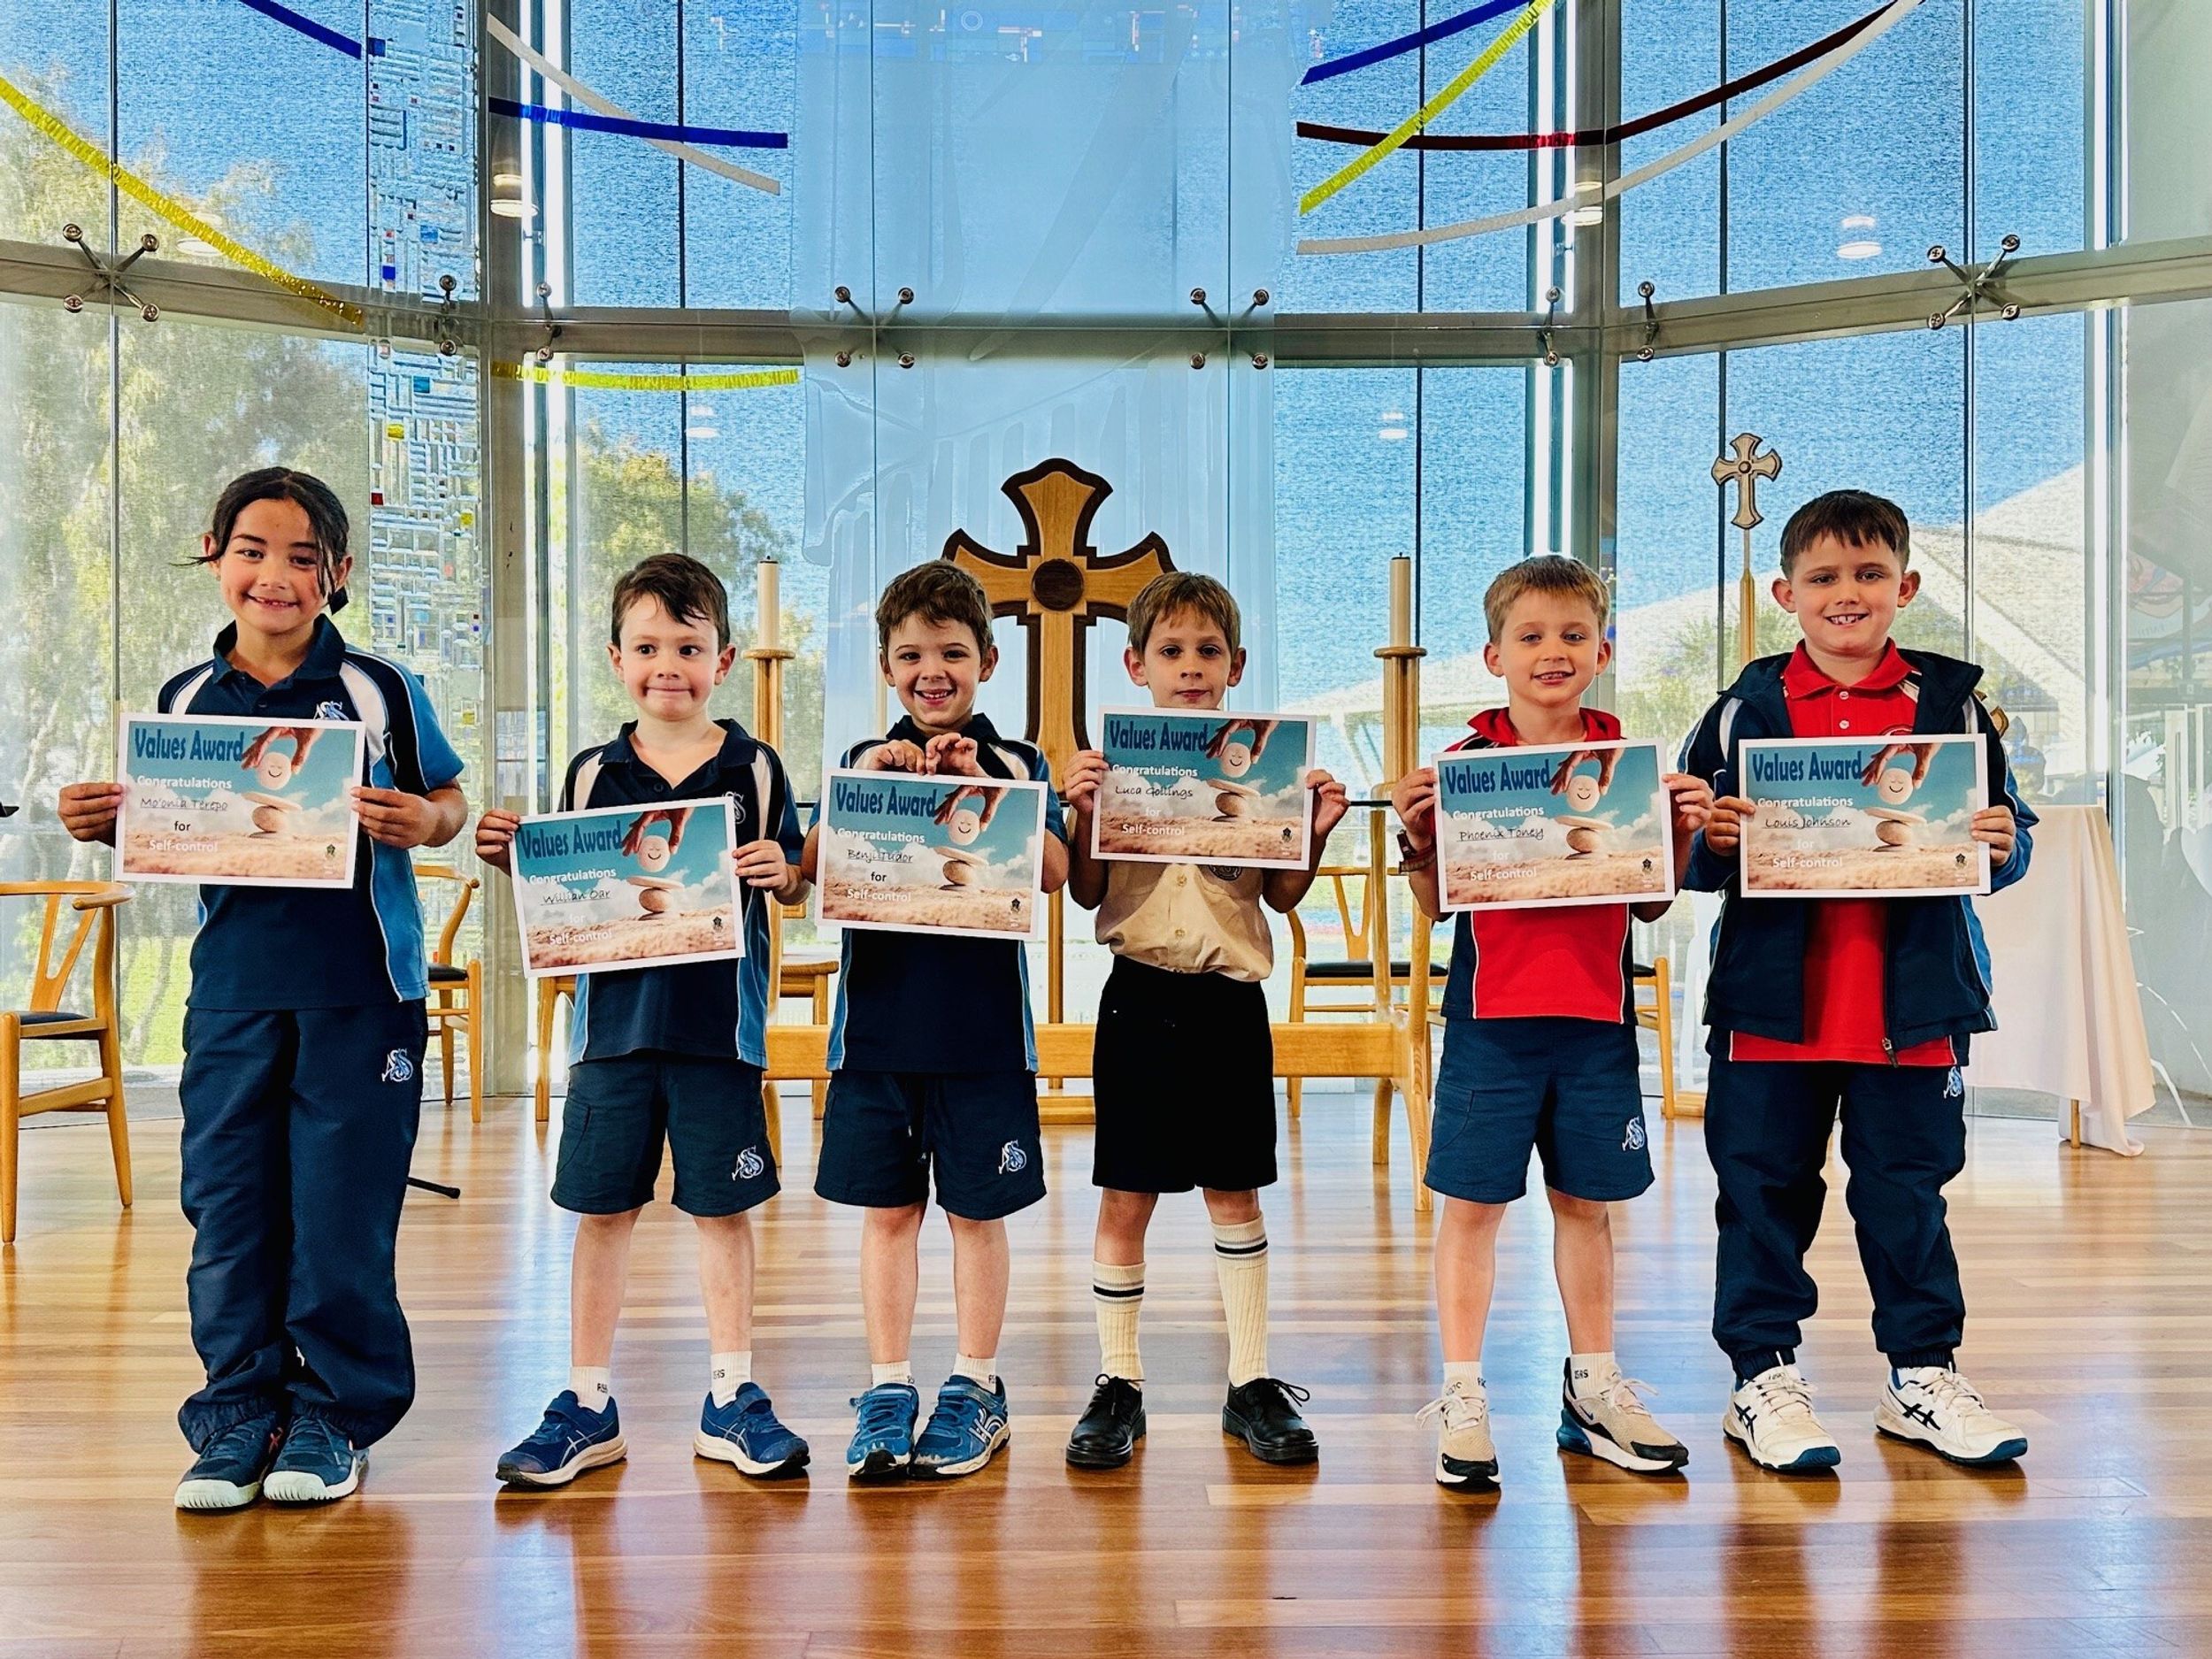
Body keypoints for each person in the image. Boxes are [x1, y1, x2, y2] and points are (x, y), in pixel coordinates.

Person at [60, 467, 468, 1510]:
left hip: (364, 993)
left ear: (338, 572)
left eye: (301, 557)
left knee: (340, 1214)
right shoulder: (182, 702)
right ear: (215, 555)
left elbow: (448, 799)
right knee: (229, 1209)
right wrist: (106, 822)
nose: (273, 575)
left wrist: (424, 822)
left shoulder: (379, 688)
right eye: (251, 550)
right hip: (232, 995)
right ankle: (237, 1414)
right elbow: (170, 826)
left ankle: (333, 1419)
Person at [1682, 488, 2036, 1471]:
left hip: (1912, 1008)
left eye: (1870, 574)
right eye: (1825, 576)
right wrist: (1711, 843)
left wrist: (2001, 846)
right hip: (1771, 1010)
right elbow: (1689, 849)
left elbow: (2007, 834)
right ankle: (1761, 1377)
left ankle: (1921, 1374)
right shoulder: (1740, 709)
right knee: (1760, 1195)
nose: (1848, 592)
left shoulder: (1951, 705)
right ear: (1785, 592)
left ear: (1905, 587)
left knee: (1908, 1196)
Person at [477, 553, 812, 1486]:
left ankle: (731, 1395)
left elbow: (790, 878)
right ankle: (587, 1401)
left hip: (718, 1032)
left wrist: (782, 873)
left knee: (723, 1214)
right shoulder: (591, 772)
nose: (669, 665)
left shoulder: (755, 766)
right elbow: (565, 890)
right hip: (609, 1035)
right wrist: (514, 858)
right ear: (616, 658)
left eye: (690, 648)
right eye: (649, 646)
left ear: (724, 658)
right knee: (603, 1213)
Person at [1391, 555, 1710, 1488]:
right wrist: (1419, 839)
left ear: (1603, 650)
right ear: (1494, 655)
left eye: (1574, 634)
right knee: (1472, 1209)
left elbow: (1650, 905)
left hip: (1595, 1019)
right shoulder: (1462, 769)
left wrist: (1680, 829)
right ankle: (1461, 1392)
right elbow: (1434, 905)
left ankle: (1594, 1387)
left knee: (1585, 1205)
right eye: (1530, 636)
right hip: (1491, 1021)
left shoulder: (1629, 766)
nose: (1553, 651)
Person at [1058, 572, 1349, 1469]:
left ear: (1236, 664)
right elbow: (1086, 893)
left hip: (1229, 1001)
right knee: (1125, 1195)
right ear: (1136, 665)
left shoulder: (1263, 768)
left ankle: (1250, 1380)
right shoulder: (1113, 769)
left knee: (1235, 1190)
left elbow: (1284, 895)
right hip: (1139, 995)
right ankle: (1119, 1381)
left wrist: (1314, 828)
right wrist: (1082, 811)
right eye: (1172, 651)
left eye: (1208, 651)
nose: (1190, 667)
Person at [800, 562, 1069, 1480]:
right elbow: (809, 865)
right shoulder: (860, 760)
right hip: (875, 1035)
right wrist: (865, 781)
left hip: (983, 1037)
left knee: (975, 1215)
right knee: (888, 1215)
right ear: (886, 667)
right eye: (911, 655)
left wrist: (983, 783)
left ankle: (976, 1382)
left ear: (986, 661)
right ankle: (886, 1386)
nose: (932, 671)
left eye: (952, 653)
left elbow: (1054, 871)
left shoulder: (1019, 762)